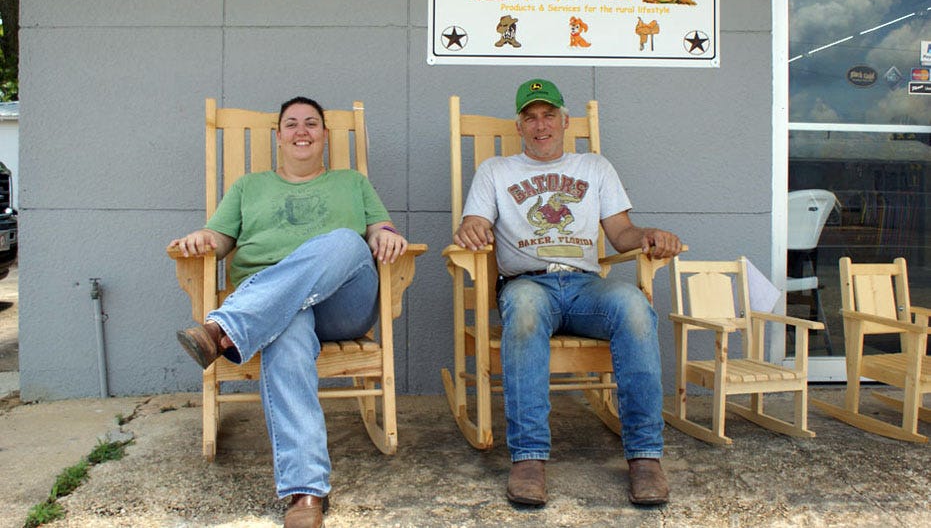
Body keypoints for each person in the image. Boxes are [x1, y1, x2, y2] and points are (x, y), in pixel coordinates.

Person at [171, 96, 407, 528]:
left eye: (311, 123)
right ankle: (306, 493)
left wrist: (387, 234)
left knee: (346, 241)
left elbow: (377, 229)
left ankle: (224, 328)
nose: (302, 131)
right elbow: (220, 238)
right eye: (292, 124)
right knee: (288, 327)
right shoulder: (247, 186)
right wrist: (201, 237)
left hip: (342, 305)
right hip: (277, 311)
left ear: (324, 135)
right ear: (278, 136)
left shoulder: (351, 182)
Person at [454, 79, 682, 507]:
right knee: (522, 313)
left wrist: (649, 234)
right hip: (527, 284)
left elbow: (620, 235)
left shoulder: (595, 167)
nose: (541, 125)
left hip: (585, 287)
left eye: (548, 115)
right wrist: (472, 226)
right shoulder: (495, 171)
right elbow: (476, 223)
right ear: (519, 125)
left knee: (634, 307)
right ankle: (529, 458)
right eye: (530, 117)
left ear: (565, 121)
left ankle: (646, 456)